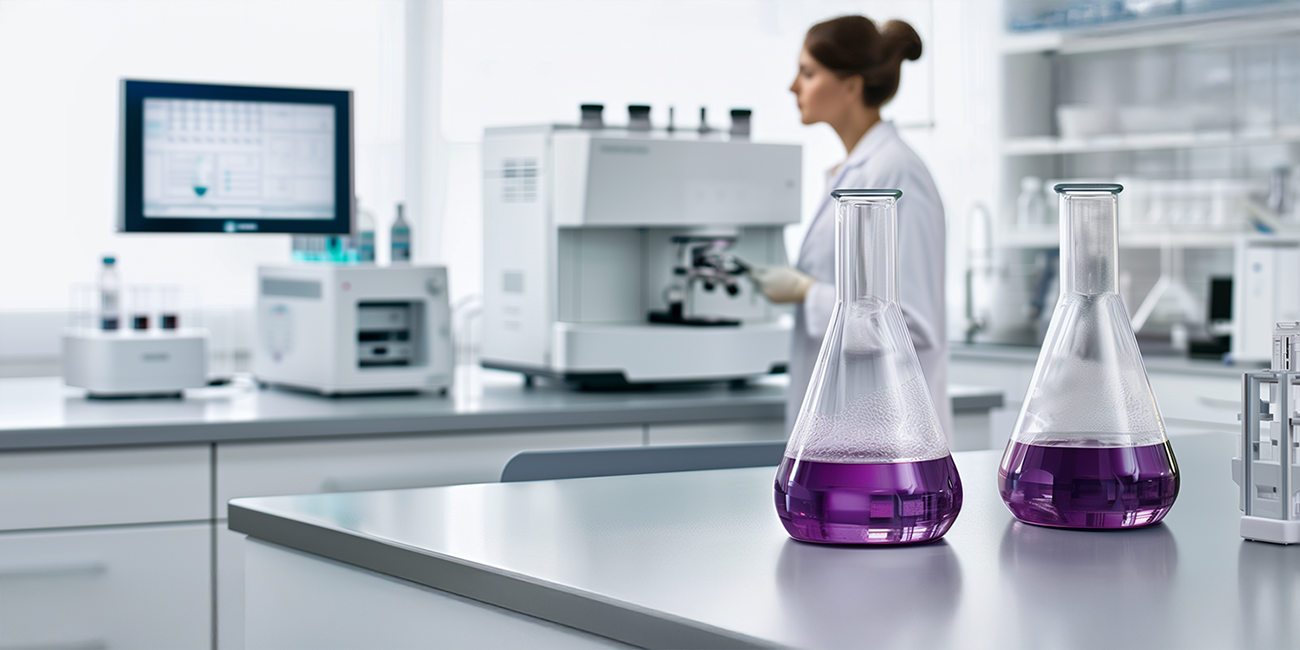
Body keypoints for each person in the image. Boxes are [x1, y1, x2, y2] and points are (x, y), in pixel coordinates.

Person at [751, 15, 951, 441]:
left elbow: (914, 325)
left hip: (886, 436)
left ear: (851, 85)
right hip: (846, 432)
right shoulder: (857, 171)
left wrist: (808, 293)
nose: (793, 87)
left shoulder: (898, 172)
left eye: (808, 73)